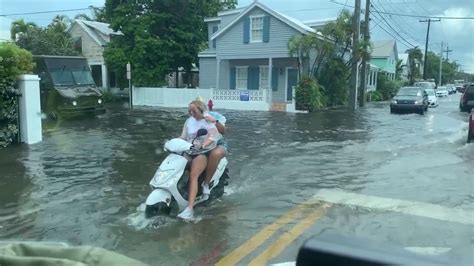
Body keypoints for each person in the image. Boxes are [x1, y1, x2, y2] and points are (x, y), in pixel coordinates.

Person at [177, 100, 220, 220]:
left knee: (193, 176)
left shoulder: (208, 122)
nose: (192, 113)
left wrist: (203, 144)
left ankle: (189, 209)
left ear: (201, 111)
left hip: (201, 153)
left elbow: (212, 137)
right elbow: (183, 136)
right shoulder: (189, 121)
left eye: (194, 111)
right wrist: (174, 141)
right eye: (190, 111)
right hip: (187, 150)